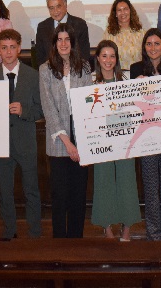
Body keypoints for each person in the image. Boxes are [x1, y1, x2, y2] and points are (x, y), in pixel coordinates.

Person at [0, 28, 43, 240]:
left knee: (31, 190)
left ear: (19, 48)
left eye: (12, 47)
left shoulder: (32, 75)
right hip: (1, 144)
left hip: (26, 142)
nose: (8, 52)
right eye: (4, 48)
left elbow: (41, 109)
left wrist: (24, 111)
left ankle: (35, 233)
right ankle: (9, 232)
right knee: (5, 192)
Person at [39, 23, 92, 238]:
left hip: (82, 138)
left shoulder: (85, 67)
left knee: (78, 195)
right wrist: (68, 143)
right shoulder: (45, 69)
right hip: (58, 140)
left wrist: (80, 142)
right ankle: (60, 243)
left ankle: (76, 241)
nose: (63, 43)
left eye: (67, 39)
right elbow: (49, 109)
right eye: (59, 40)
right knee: (59, 196)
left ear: (73, 42)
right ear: (54, 44)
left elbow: (89, 103)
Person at [129, 29, 161, 241]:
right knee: (150, 191)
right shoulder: (136, 69)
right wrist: (135, 85)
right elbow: (131, 105)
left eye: (156, 43)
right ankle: (153, 236)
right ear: (144, 47)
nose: (152, 48)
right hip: (146, 141)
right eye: (148, 44)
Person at [90, 40, 140, 241]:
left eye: (112, 56)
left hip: (125, 140)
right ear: (98, 58)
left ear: (117, 59)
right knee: (103, 181)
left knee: (127, 181)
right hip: (102, 141)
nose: (108, 60)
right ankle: (106, 225)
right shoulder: (90, 83)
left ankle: (127, 226)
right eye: (104, 56)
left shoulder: (126, 79)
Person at [34, 0, 91, 67]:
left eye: (58, 7)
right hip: (49, 72)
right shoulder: (42, 27)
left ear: (65, 5)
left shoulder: (80, 25)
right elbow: (40, 56)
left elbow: (84, 54)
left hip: (75, 71)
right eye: (51, 8)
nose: (55, 11)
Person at [102, 0, 145, 76]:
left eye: (125, 9)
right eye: (119, 10)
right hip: (117, 76)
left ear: (130, 11)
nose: (123, 13)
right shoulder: (109, 33)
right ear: (115, 14)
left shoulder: (141, 32)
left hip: (138, 76)